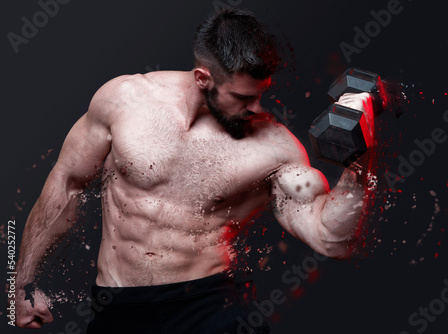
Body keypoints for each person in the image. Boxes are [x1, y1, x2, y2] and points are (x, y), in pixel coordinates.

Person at [15, 8, 374, 333]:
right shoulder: (123, 101)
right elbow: (67, 184)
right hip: (118, 306)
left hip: (210, 306)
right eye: (243, 97)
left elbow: (330, 239)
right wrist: (21, 284)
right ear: (204, 78)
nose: (257, 107)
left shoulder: (275, 148)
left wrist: (358, 161)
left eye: (261, 94)